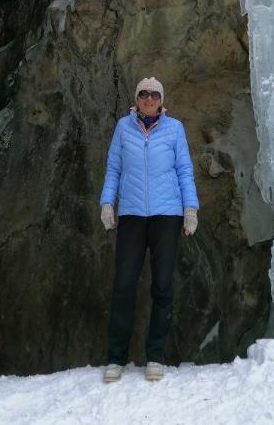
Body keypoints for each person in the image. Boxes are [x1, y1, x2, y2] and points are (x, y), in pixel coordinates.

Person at [99, 77, 199, 383]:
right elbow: (114, 168)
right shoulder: (123, 128)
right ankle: (116, 359)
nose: (149, 98)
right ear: (137, 98)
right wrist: (107, 203)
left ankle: (155, 356)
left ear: (161, 99)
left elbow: (184, 170)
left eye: (155, 94)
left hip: (166, 216)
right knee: (124, 285)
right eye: (144, 93)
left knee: (163, 285)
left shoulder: (174, 129)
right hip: (131, 214)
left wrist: (190, 209)